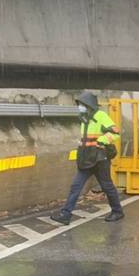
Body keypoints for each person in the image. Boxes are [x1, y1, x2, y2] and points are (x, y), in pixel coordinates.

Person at [50, 92, 124, 224]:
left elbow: (115, 132)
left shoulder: (100, 116)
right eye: (79, 105)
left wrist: (102, 141)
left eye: (82, 104)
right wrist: (82, 144)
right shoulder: (84, 118)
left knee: (107, 186)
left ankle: (117, 212)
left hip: (100, 158)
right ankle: (66, 214)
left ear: (89, 105)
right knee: (75, 186)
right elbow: (88, 138)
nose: (80, 107)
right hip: (87, 157)